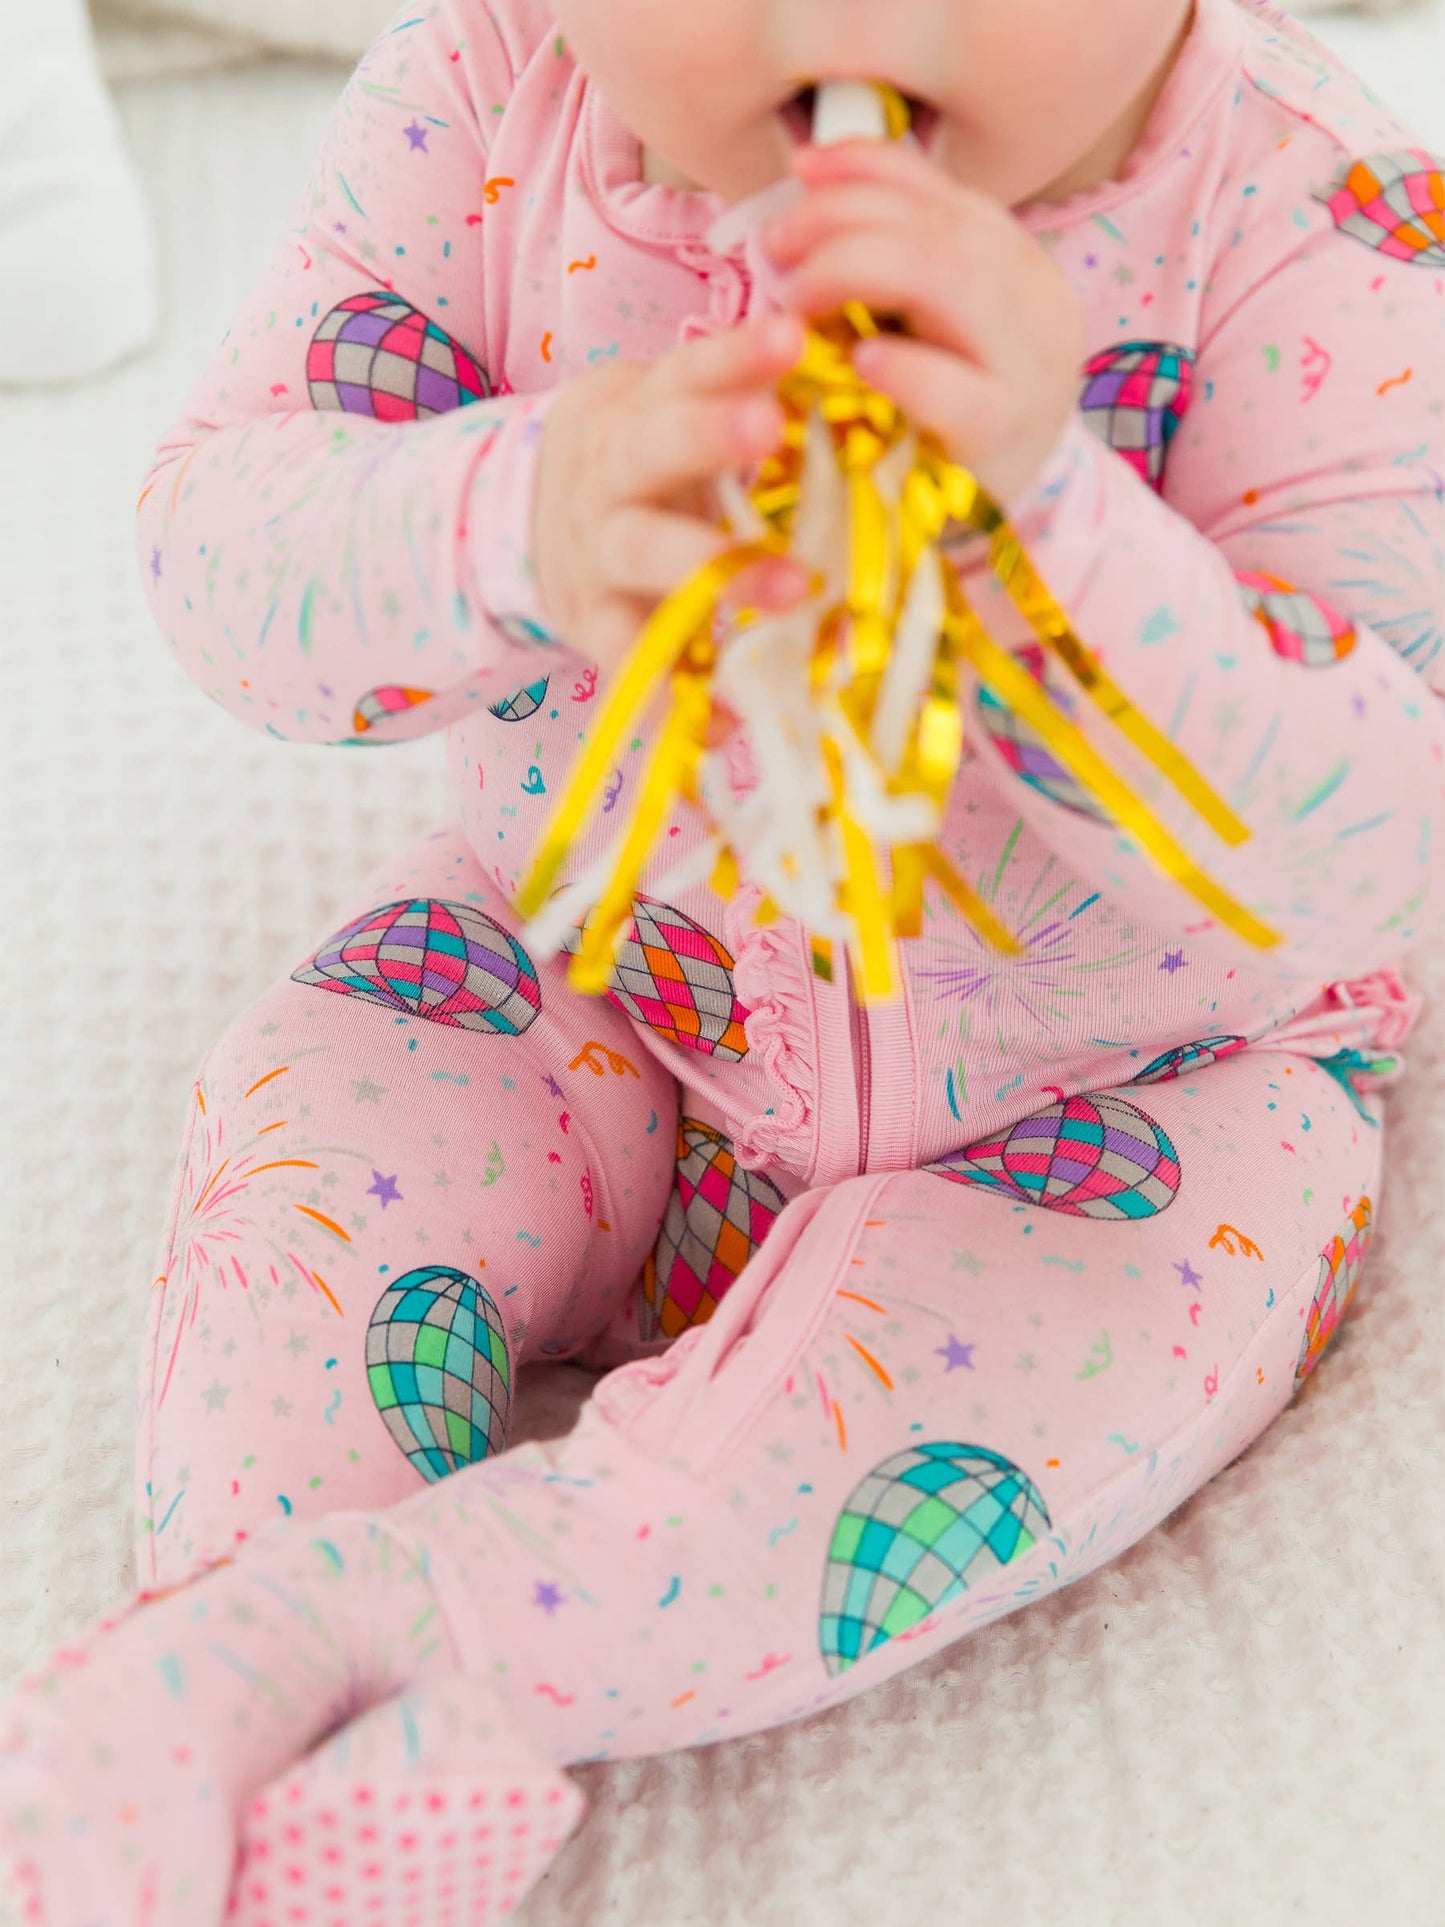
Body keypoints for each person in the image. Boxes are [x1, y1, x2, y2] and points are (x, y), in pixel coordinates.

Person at [2, 0, 1442, 1920]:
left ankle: (416, 1634)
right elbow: (221, 560)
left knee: (1007, 1372)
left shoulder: (1315, 210)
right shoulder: (478, 107)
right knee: (323, 1110)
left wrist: (1042, 522)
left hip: (1130, 1100)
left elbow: (1371, 849)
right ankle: (233, 1684)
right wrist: (519, 510)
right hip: (591, 973)